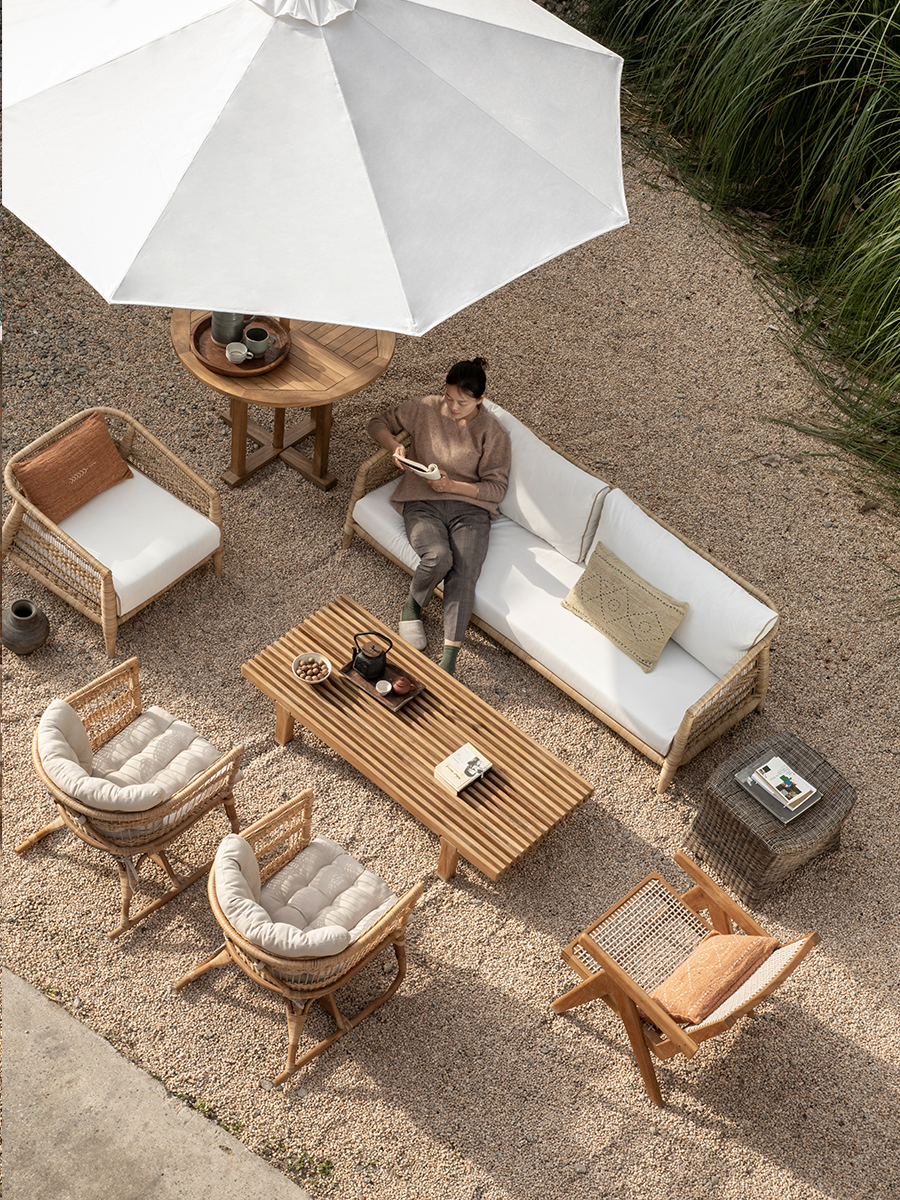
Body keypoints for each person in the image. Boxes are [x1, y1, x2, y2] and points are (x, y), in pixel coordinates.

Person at [367, 357, 511, 675]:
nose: (453, 406)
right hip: (421, 502)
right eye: (449, 397)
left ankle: (448, 663)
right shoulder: (426, 407)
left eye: (462, 402)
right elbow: (377, 422)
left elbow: (495, 489)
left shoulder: (493, 433)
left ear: (480, 400)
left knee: (465, 571)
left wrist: (452, 485)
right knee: (438, 556)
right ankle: (412, 607)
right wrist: (394, 447)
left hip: (470, 512)